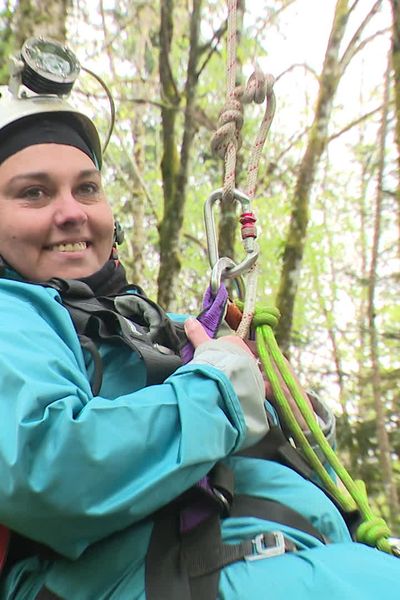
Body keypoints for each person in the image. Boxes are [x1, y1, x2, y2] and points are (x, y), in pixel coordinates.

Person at [0, 43, 399, 600]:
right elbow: (44, 468)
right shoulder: (12, 313)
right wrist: (219, 395)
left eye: (86, 187)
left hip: (248, 557)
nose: (71, 210)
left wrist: (281, 408)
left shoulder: (148, 322)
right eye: (33, 193)